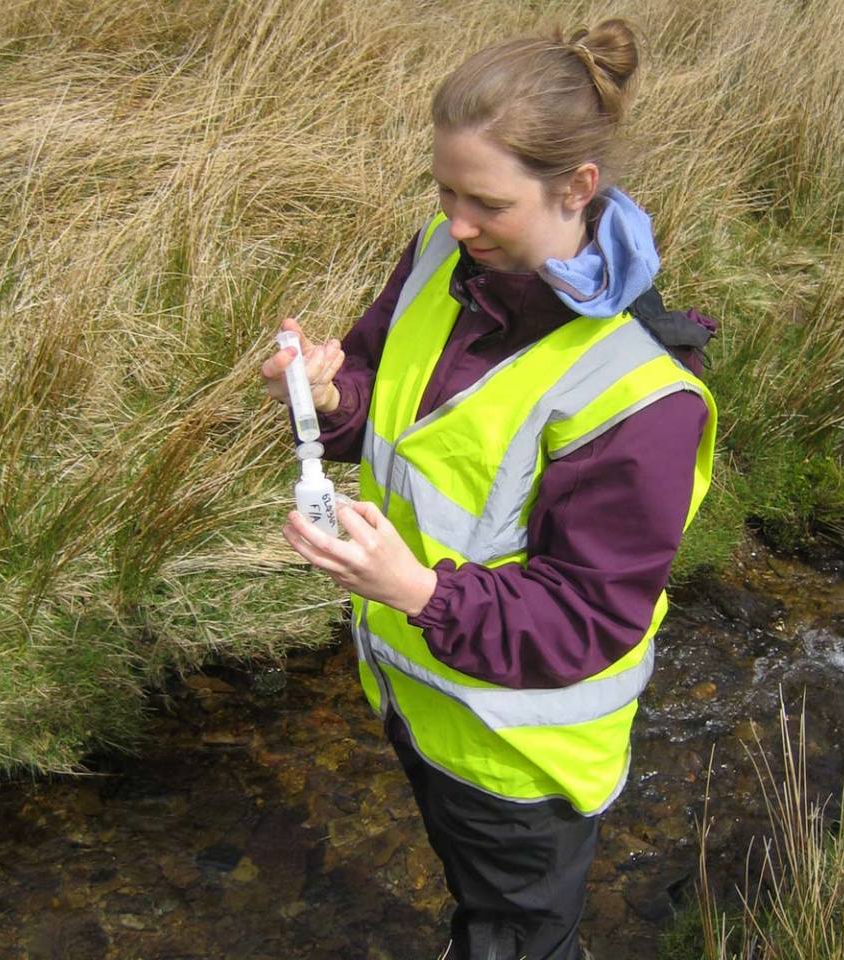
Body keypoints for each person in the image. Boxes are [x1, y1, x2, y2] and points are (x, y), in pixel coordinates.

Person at [261, 19, 717, 960]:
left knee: (519, 937)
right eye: (445, 190)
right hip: (416, 692)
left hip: (520, 758)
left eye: (487, 203)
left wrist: (417, 591)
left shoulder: (641, 397)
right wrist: (322, 396)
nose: (458, 223)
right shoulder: (440, 253)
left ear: (577, 188)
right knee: (483, 915)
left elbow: (589, 617)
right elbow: (384, 401)